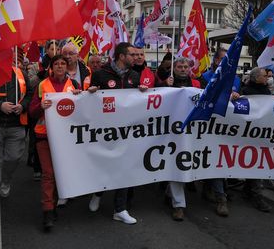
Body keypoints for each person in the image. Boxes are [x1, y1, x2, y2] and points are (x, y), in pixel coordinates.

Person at [86, 42, 148, 224]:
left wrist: (142, 93)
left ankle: (119, 209)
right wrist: (90, 93)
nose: (136, 58)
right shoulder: (100, 74)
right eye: (132, 55)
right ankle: (98, 192)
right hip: (105, 130)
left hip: (128, 130)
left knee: (125, 167)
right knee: (105, 164)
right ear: (121, 57)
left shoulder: (135, 76)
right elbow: (89, 103)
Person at [28, 55, 81, 231]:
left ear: (67, 67)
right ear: (51, 67)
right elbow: (32, 111)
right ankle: (47, 212)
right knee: (48, 174)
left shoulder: (73, 85)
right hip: (45, 137)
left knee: (61, 173)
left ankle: (55, 203)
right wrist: (40, 107)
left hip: (67, 138)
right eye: (56, 64)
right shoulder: (42, 85)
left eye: (63, 64)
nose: (59, 66)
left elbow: (83, 109)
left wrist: (80, 96)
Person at [0, 58, 33, 210]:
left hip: (16, 125)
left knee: (14, 157)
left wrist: (22, 106)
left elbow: (30, 94)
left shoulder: (21, 73)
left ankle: (5, 181)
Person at [156, 57, 201, 221]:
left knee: (185, 163)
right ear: (174, 68)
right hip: (171, 131)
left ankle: (170, 194)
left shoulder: (196, 85)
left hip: (191, 131)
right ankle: (179, 205)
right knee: (177, 163)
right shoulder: (165, 83)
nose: (182, 69)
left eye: (185, 67)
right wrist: (163, 86)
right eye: (179, 66)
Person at [231, 67, 273, 212]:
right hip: (248, 132)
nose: (267, 78)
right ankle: (254, 194)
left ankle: (251, 191)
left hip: (261, 132)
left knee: (257, 162)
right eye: (264, 76)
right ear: (256, 78)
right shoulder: (246, 92)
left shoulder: (267, 91)